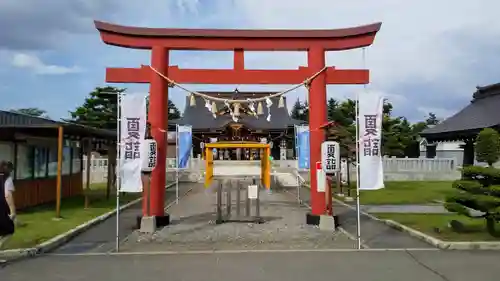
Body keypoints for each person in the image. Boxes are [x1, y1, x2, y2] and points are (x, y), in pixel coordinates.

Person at [0, 161, 15, 250]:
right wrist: (13, 211)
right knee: (9, 230)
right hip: (2, 208)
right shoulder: (7, 179)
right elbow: (8, 195)